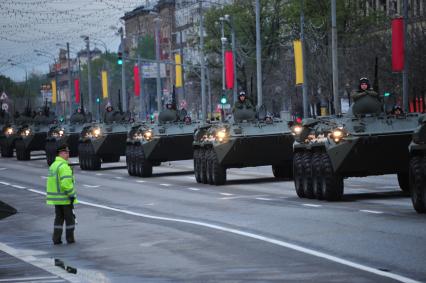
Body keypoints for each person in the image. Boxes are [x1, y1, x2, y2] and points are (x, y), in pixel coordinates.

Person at [46, 144, 77, 245]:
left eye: (68, 152)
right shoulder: (64, 166)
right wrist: (71, 195)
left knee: (58, 220)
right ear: (60, 153)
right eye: (65, 152)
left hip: (56, 199)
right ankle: (70, 239)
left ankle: (56, 239)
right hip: (65, 198)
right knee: (70, 221)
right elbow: (66, 184)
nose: (68, 154)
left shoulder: (53, 165)